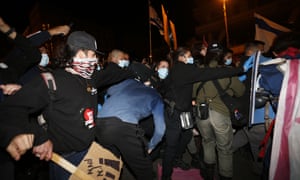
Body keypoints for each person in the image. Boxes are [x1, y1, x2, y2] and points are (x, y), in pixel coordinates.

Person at [0, 30, 134, 180]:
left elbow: (115, 73)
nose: (94, 60)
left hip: (90, 152)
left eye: (94, 55)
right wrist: (35, 136)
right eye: (90, 54)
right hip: (65, 161)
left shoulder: (91, 78)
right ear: (76, 54)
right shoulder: (51, 81)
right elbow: (10, 109)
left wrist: (139, 72)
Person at [160, 46, 254, 180]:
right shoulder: (186, 69)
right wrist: (240, 70)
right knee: (175, 144)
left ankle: (182, 162)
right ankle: (167, 174)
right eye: (188, 55)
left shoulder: (174, 70)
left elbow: (166, 89)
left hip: (179, 111)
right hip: (180, 113)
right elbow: (211, 73)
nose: (191, 58)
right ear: (181, 57)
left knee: (191, 138)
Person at [95, 71, 166, 180]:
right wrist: (151, 146)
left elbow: (110, 91)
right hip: (122, 126)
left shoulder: (130, 83)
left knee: (111, 163)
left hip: (100, 123)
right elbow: (161, 129)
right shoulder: (156, 97)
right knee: (143, 167)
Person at [193, 47, 246, 180]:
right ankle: (225, 176)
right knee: (224, 149)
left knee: (207, 141)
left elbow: (193, 93)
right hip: (220, 113)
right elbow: (240, 91)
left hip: (202, 114)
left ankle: (209, 173)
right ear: (222, 56)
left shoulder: (199, 72)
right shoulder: (228, 72)